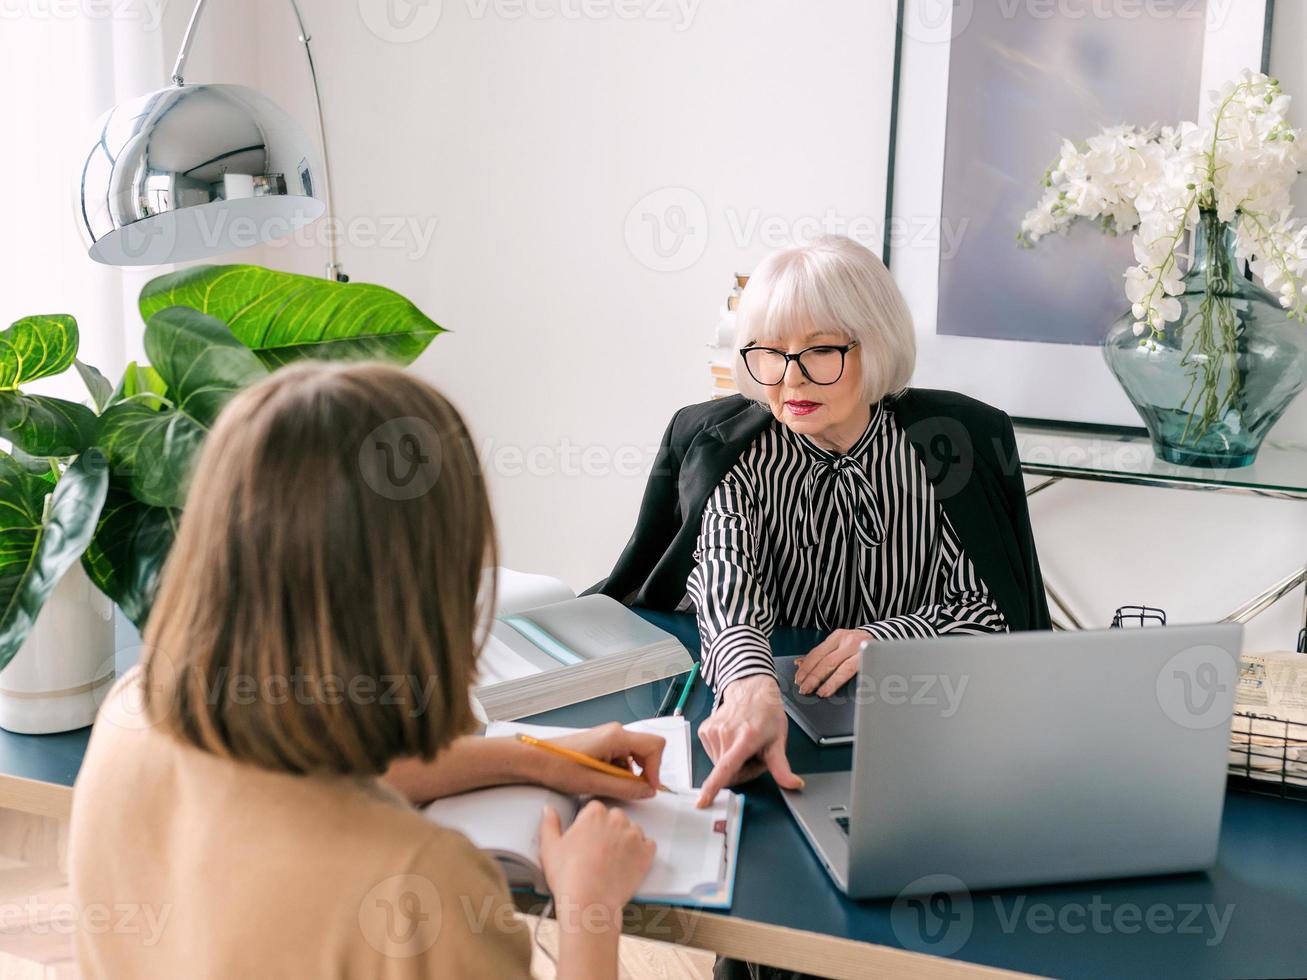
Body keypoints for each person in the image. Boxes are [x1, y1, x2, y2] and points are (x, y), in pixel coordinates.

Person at [70, 362, 660, 980]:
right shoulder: (420, 885)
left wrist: (540, 757)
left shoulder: (129, 715)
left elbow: (329, 781)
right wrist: (591, 907)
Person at [590, 235, 1050, 811]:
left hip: (925, 722)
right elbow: (726, 582)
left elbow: (987, 610)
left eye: (820, 351)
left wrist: (884, 639)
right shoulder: (731, 447)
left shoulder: (954, 443)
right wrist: (749, 686)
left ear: (876, 344)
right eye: (768, 352)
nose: (791, 379)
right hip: (777, 705)